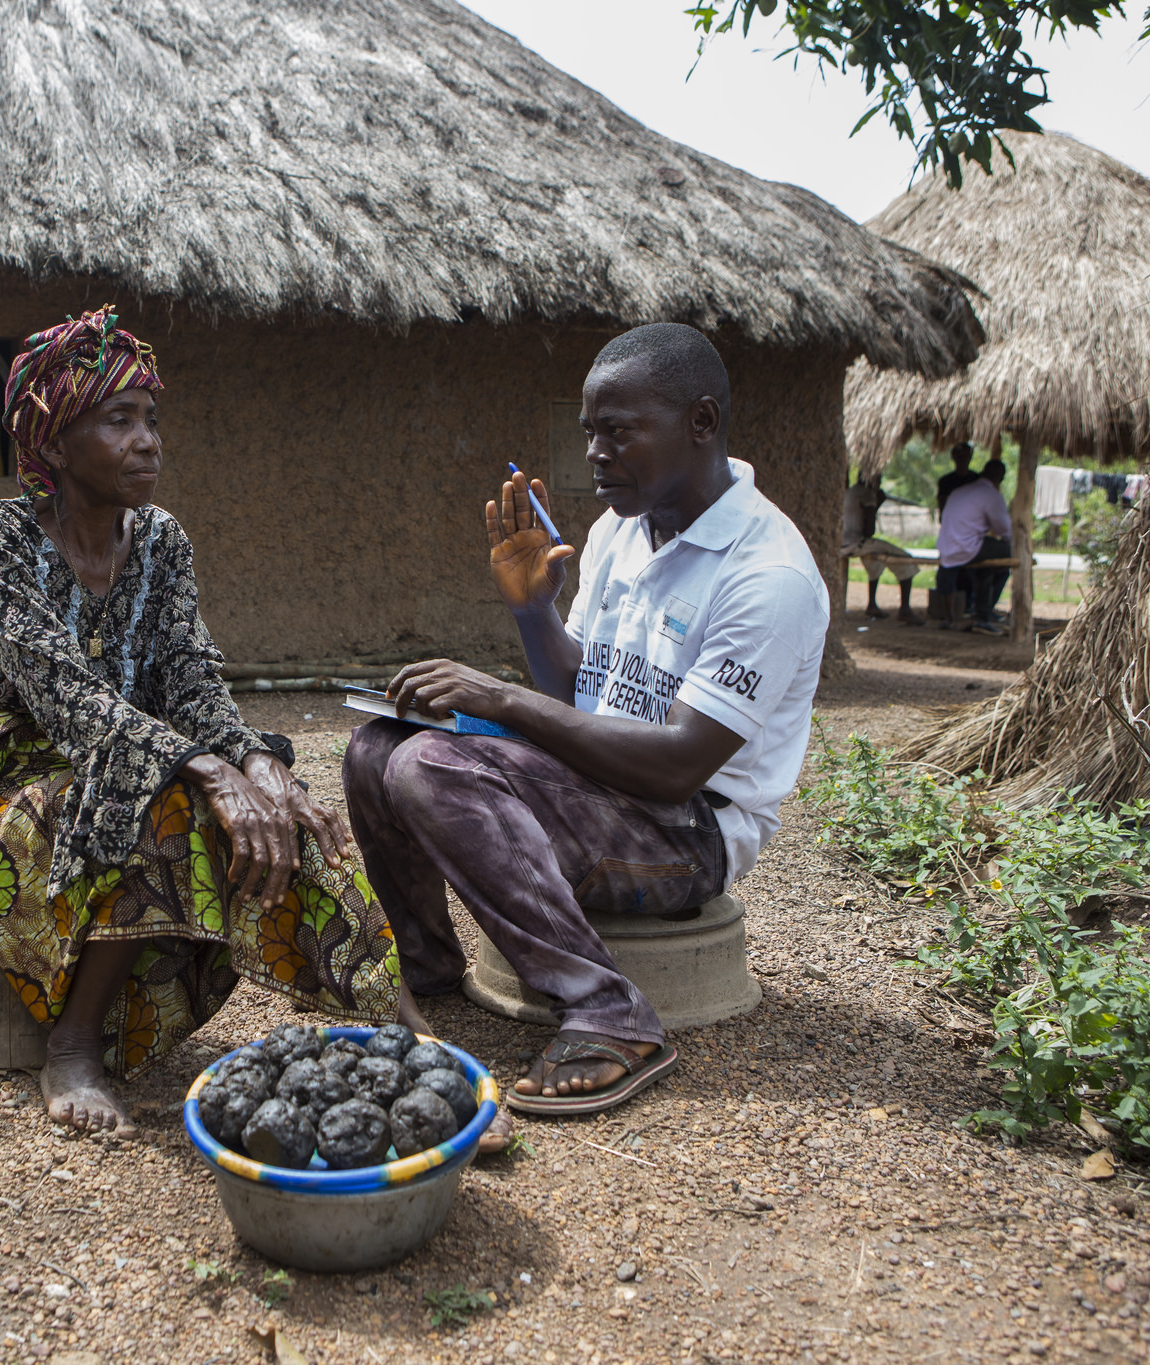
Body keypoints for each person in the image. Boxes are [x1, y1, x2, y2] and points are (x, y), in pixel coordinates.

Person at [0, 307, 407, 1137]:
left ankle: (408, 1038)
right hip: (20, 768)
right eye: (119, 420)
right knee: (170, 801)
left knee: (292, 810)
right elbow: (66, 696)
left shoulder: (161, 540)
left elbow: (190, 679)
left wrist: (257, 764)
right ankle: (73, 1045)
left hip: (148, 750)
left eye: (151, 419)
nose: (148, 439)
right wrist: (206, 768)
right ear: (55, 437)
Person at [342, 324, 827, 1119]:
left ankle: (611, 1013)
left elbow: (678, 764)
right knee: (376, 748)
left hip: (688, 830)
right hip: (602, 788)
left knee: (430, 766)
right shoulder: (618, 534)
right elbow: (581, 698)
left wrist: (498, 698)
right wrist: (535, 613)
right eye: (589, 432)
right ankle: (429, 969)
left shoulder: (765, 573)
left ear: (701, 423)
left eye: (619, 430)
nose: (596, 453)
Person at [935, 458, 1012, 636]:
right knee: (1007, 555)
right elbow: (1004, 528)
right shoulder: (990, 494)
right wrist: (1011, 543)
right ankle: (983, 614)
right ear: (1000, 479)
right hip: (967, 547)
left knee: (987, 566)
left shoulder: (961, 491)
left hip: (947, 547)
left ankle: (979, 613)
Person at [841, 473, 921, 624]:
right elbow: (869, 531)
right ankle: (905, 609)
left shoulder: (848, 491)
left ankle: (872, 604)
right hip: (857, 542)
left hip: (844, 542)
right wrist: (877, 504)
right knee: (905, 559)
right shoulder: (867, 494)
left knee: (874, 560)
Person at [935, 441, 979, 511]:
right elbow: (942, 505)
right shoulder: (945, 481)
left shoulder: (978, 480)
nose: (963, 459)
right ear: (953, 457)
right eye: (960, 456)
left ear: (970, 457)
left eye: (965, 456)